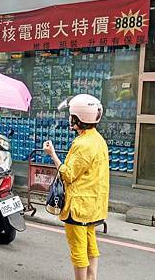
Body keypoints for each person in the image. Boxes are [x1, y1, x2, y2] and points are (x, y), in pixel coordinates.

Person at [43, 94, 109, 280]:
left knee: (78, 250)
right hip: (93, 205)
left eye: (72, 116)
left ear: (78, 118)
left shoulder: (82, 144)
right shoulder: (98, 140)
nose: (70, 119)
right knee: (90, 245)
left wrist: (52, 154)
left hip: (78, 206)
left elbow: (68, 174)